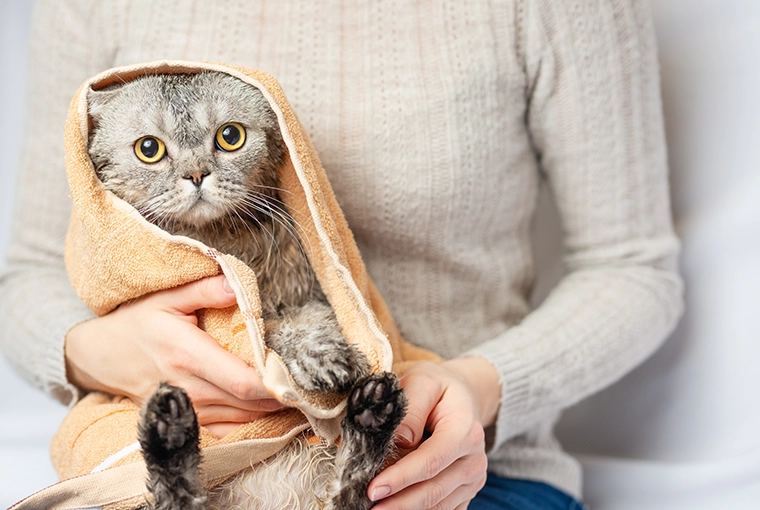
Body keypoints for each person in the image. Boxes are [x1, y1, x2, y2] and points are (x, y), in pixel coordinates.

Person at [0, 1, 683, 509]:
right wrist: (90, 350)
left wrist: (478, 390)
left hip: (442, 464)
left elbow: (634, 270)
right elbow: (26, 271)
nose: (195, 173)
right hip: (174, 450)